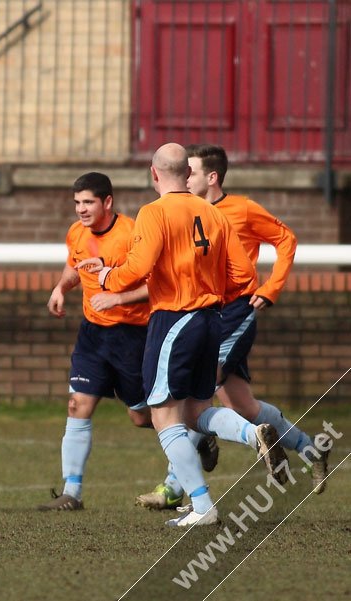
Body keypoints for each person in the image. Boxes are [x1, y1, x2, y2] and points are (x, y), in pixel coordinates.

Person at [78, 143, 289, 527]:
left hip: (174, 319)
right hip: (212, 319)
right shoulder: (213, 213)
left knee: (163, 416)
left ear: (154, 173)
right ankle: (253, 432)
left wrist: (107, 276)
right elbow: (244, 276)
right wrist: (211, 293)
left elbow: (137, 268)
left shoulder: (153, 212)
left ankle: (203, 506)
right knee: (195, 412)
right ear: (187, 175)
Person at [136, 143, 330, 510]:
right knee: (240, 402)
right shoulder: (188, 212)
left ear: (211, 177)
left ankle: (179, 487)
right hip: (210, 312)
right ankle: (309, 447)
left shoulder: (237, 210)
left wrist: (270, 288)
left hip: (227, 311)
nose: (185, 177)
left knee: (192, 401)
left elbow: (284, 240)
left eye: (190, 171)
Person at [37, 172, 218, 511]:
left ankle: (196, 433)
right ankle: (71, 492)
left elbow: (156, 284)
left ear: (107, 202)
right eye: (77, 203)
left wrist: (118, 299)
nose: (81, 210)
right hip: (92, 335)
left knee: (141, 416)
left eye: (88, 202)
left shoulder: (133, 232)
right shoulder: (77, 232)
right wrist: (61, 288)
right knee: (78, 404)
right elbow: (74, 266)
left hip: (133, 336)